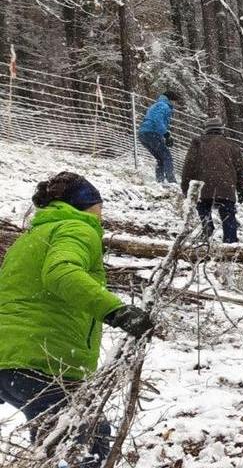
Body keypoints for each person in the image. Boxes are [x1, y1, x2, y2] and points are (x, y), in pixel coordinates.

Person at [0, 172, 154, 467]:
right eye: (99, 205)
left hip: (12, 361)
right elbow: (61, 273)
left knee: (83, 434)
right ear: (86, 205)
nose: (102, 214)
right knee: (78, 445)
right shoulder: (76, 228)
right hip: (43, 359)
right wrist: (117, 311)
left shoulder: (31, 237)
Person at [181, 117, 243, 244]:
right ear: (222, 130)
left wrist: (185, 187)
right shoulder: (232, 146)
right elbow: (240, 171)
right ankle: (230, 242)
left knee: (203, 207)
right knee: (228, 217)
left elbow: (188, 167)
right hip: (226, 189)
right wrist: (242, 190)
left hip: (204, 187)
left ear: (206, 130)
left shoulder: (197, 143)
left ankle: (207, 227)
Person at [137, 90, 181, 184]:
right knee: (167, 157)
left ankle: (160, 181)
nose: (176, 104)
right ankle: (171, 181)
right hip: (151, 133)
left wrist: (164, 135)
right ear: (171, 100)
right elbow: (158, 120)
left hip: (143, 133)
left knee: (160, 158)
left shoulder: (156, 105)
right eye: (175, 101)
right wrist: (166, 135)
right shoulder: (164, 106)